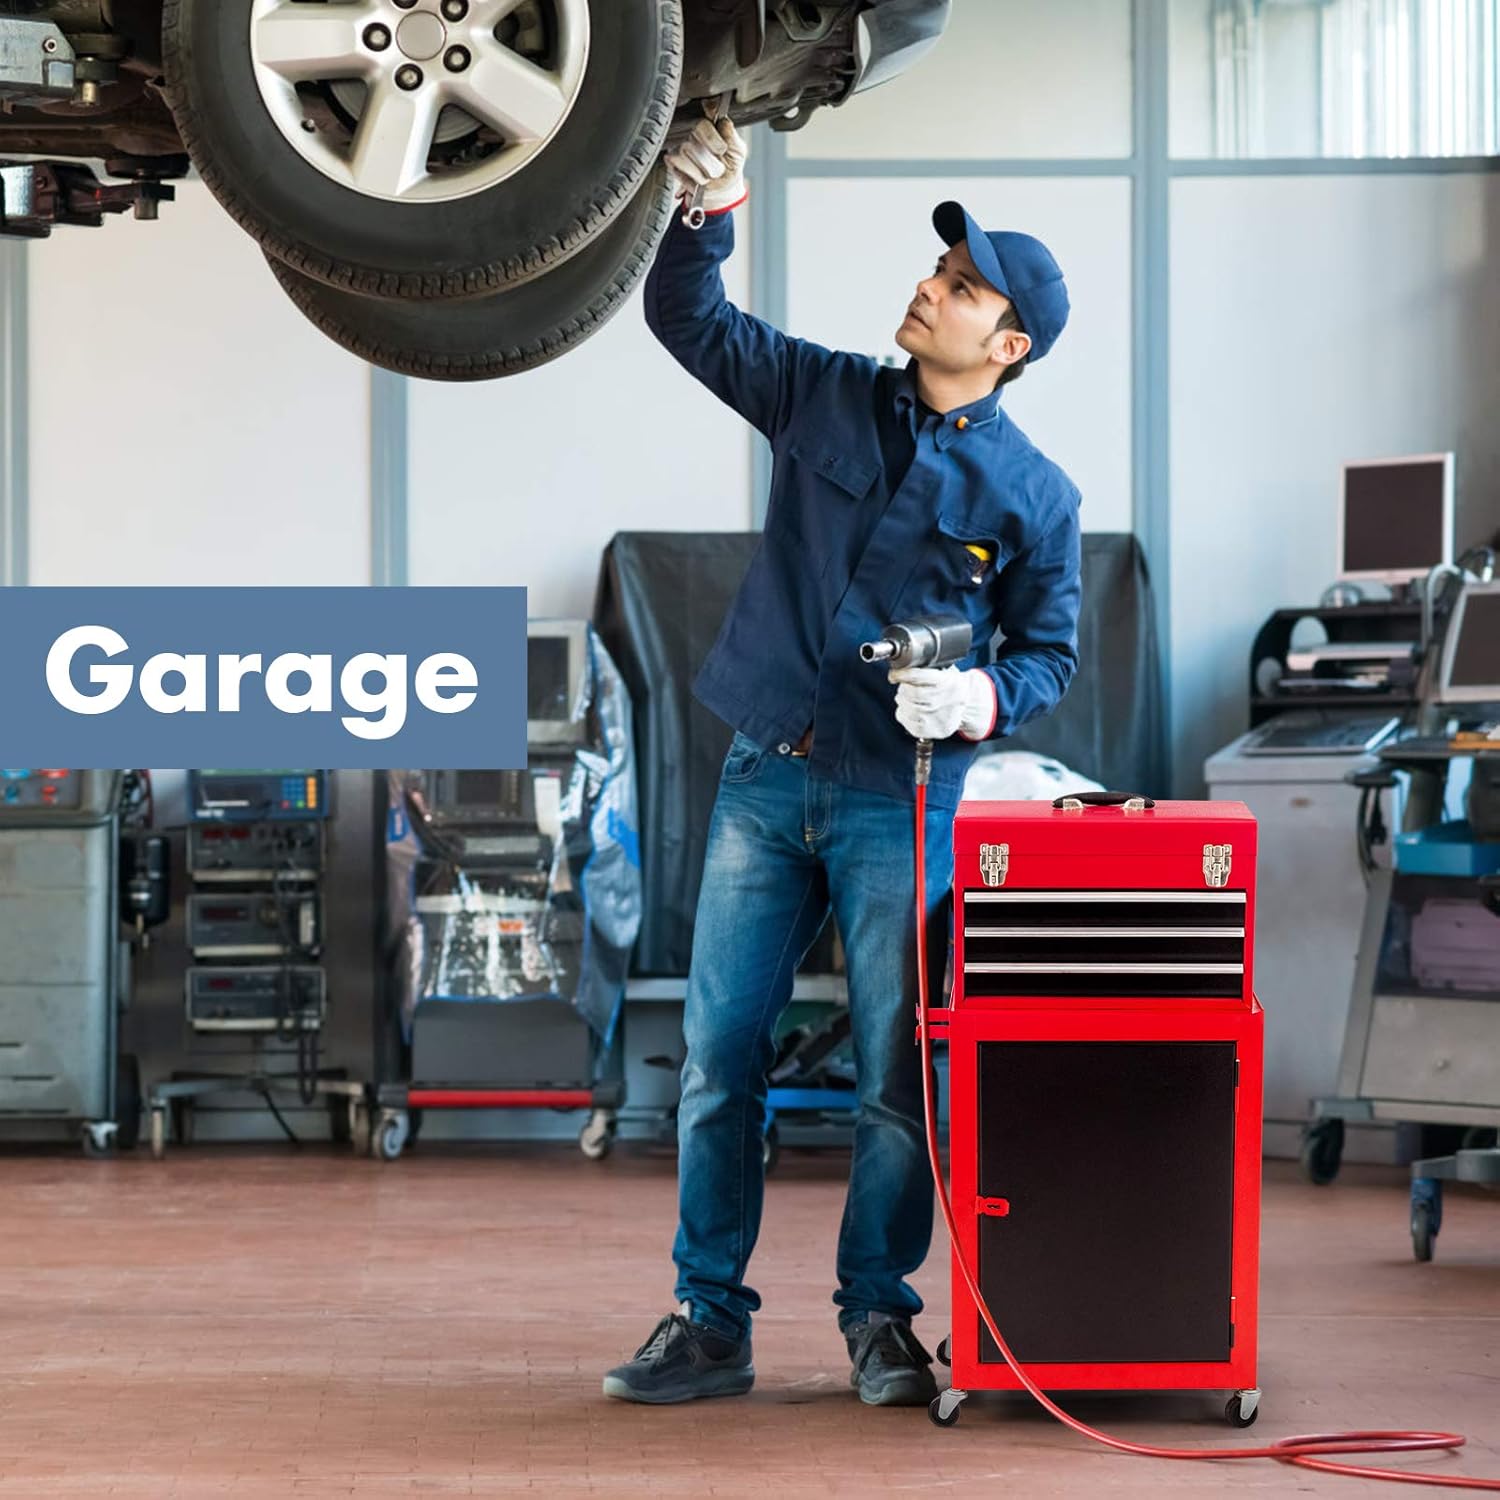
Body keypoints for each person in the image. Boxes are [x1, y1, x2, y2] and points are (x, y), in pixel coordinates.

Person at [603, 115, 1083, 1408]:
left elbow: (1052, 656)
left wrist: (983, 696)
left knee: (895, 1076)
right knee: (718, 1061)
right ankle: (710, 1321)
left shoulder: (1038, 499)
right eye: (940, 271)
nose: (932, 287)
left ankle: (881, 1318)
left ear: (1009, 345)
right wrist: (710, 210)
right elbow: (687, 321)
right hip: (764, 775)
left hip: (898, 802)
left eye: (964, 287)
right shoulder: (821, 392)